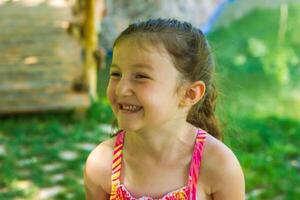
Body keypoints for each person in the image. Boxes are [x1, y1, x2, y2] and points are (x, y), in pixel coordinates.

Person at [84, 18, 245, 200]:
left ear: (190, 94)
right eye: (116, 74)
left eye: (141, 76)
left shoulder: (218, 166)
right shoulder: (102, 164)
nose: (121, 88)